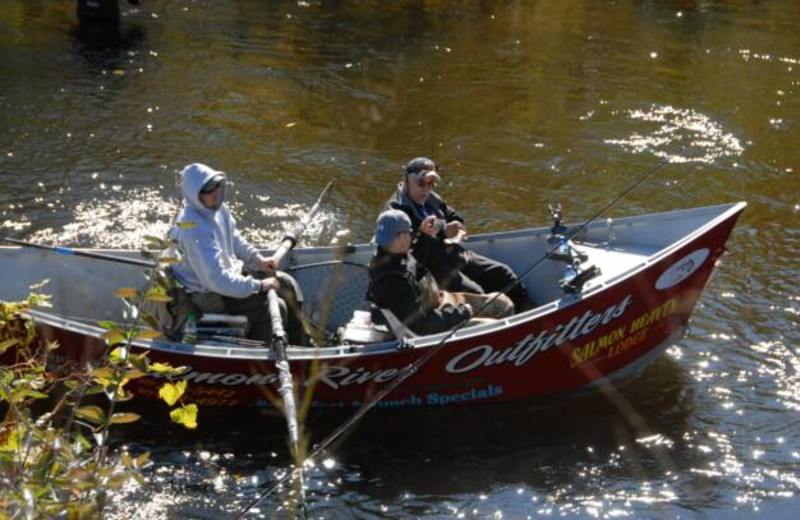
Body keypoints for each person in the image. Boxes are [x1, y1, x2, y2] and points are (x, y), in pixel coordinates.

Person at [170, 163, 307, 345]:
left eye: (218, 185)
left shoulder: (218, 209)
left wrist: (258, 260)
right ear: (194, 195)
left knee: (287, 284)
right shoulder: (193, 229)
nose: (216, 192)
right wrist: (259, 286)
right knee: (276, 309)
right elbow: (216, 280)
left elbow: (234, 238)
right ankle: (261, 358)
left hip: (230, 277)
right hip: (210, 294)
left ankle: (301, 343)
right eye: (208, 190)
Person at [384, 157, 532, 312]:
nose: (426, 189)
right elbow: (410, 259)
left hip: (455, 254)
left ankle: (522, 317)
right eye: (421, 183)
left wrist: (458, 227)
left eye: (431, 183)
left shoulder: (431, 197)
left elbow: (453, 215)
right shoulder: (395, 212)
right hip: (431, 269)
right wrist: (440, 231)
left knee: (504, 275)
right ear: (406, 180)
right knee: (477, 295)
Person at [367, 210, 514, 336]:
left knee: (503, 304)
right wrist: (461, 313)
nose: (411, 237)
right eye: (409, 233)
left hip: (438, 305)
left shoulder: (394, 254)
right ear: (399, 237)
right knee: (495, 328)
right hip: (432, 327)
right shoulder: (392, 282)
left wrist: (424, 236)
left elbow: (415, 265)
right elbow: (423, 325)